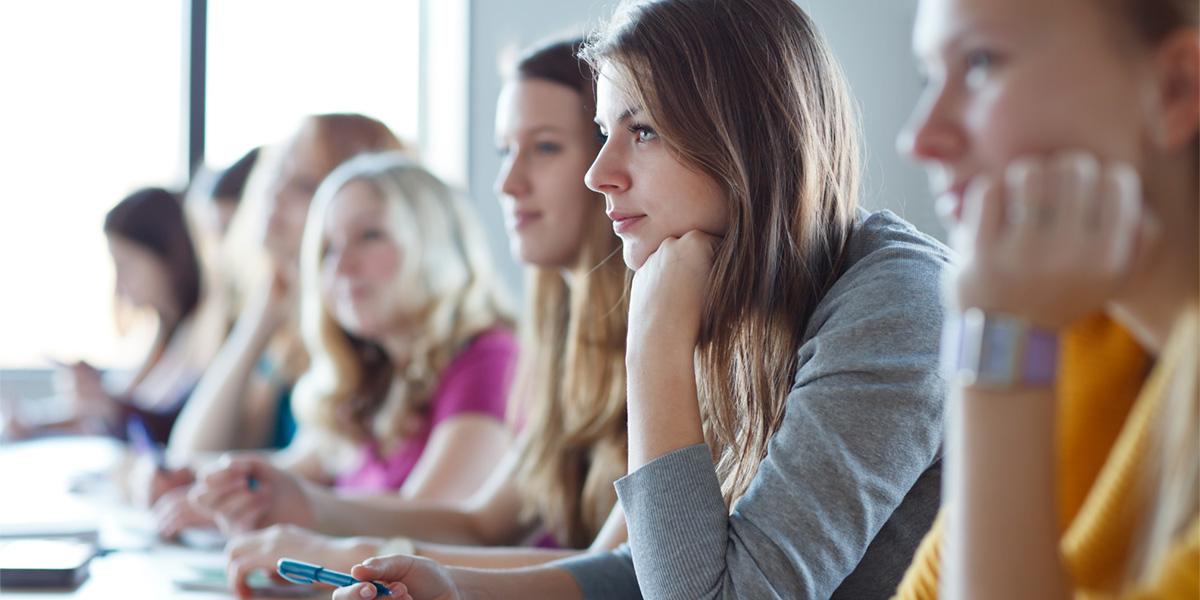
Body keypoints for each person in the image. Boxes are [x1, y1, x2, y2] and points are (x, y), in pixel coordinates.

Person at [333, 0, 952, 598]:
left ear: (747, 140)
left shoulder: (894, 307)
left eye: (645, 131)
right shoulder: (745, 296)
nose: (599, 171)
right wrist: (460, 590)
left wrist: (653, 345)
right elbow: (663, 566)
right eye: (606, 132)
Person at [192, 39, 635, 596]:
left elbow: (618, 571)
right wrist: (308, 508)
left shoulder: (502, 352)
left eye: (544, 148)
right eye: (504, 151)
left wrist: (345, 547)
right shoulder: (560, 341)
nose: (506, 182)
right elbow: (482, 521)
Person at [891, 0, 1199, 597]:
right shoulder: (1090, 332)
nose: (920, 138)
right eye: (931, 76)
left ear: (1175, 88)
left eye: (980, 63)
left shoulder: (1033, 325)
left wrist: (1000, 339)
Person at [148, 114, 410, 539]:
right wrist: (261, 317)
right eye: (278, 176)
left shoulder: (366, 339)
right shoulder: (291, 327)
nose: (275, 195)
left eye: (305, 185)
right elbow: (197, 450)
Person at [4, 187, 212, 446]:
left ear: (165, 257)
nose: (120, 283)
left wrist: (107, 403)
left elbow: (170, 430)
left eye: (127, 264)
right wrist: (37, 425)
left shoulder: (203, 334)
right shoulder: (163, 335)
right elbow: (122, 412)